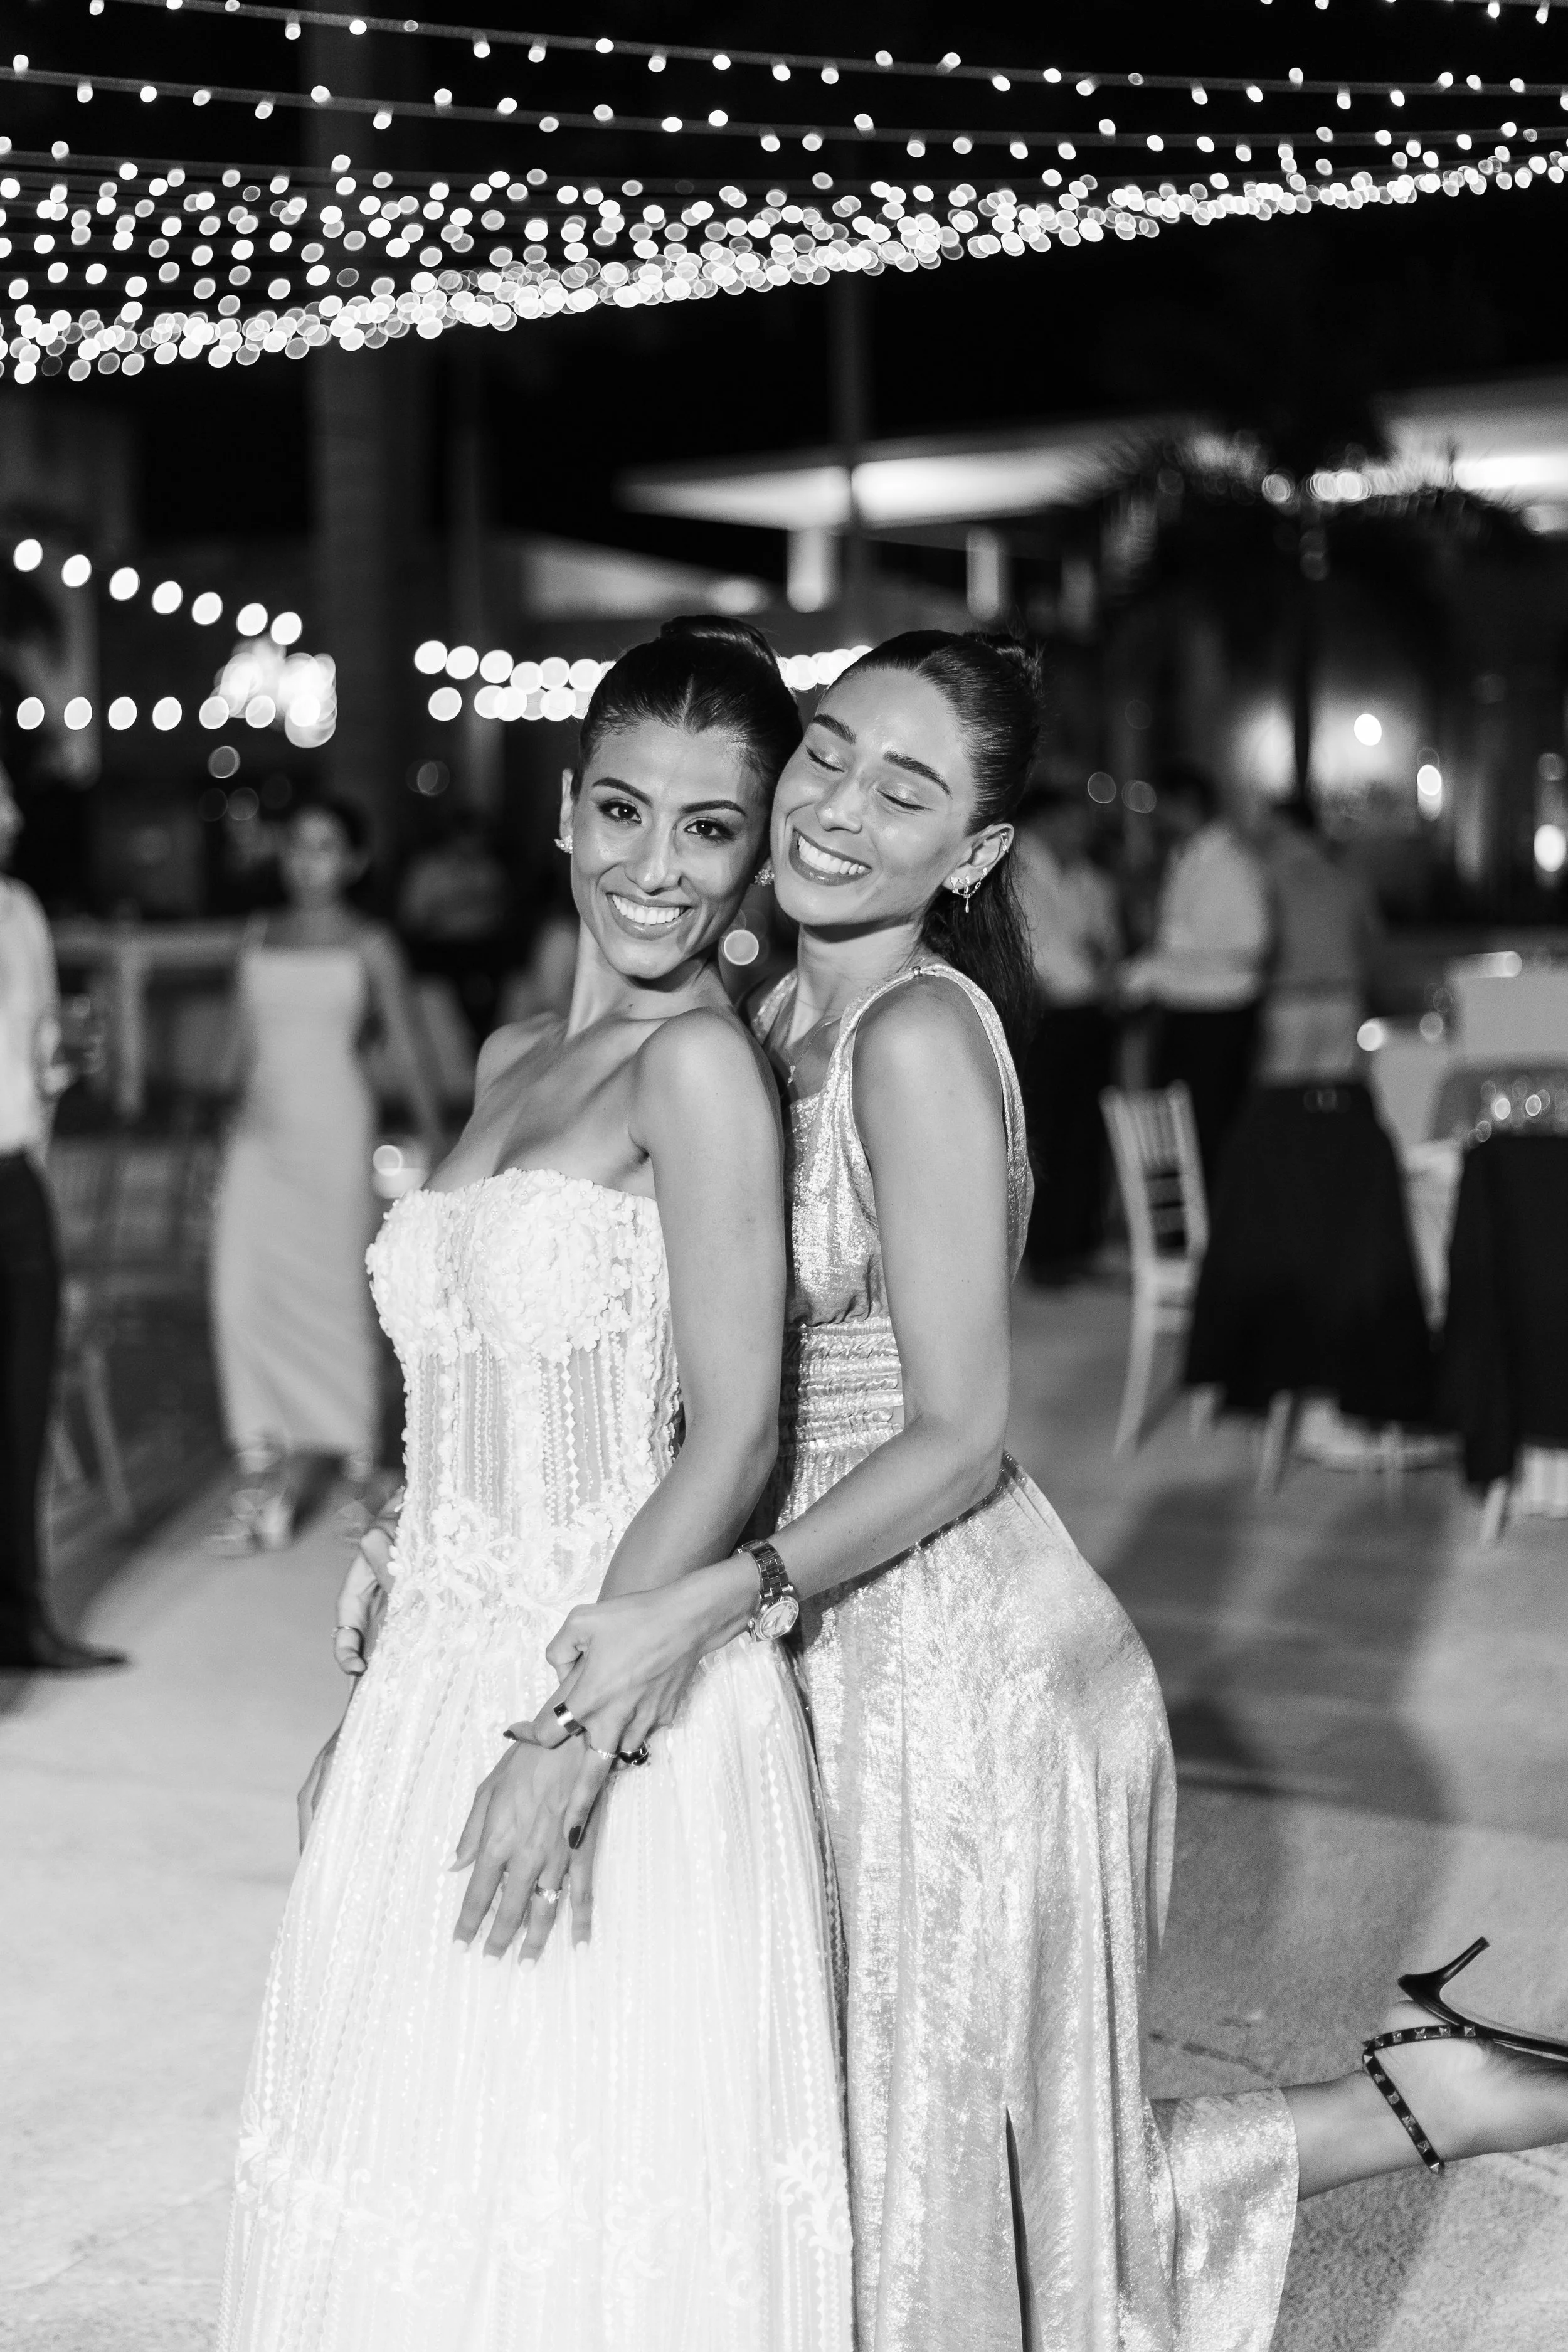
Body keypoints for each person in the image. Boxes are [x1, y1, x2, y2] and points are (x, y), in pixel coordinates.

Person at [499, 633, 1568, 2352]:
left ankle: (1427, 2100)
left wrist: (714, 1594)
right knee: (882, 2162)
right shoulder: (762, 1016)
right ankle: (1426, 2087)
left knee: (950, 2204)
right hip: (816, 1634)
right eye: (829, 752)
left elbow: (958, 1429)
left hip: (950, 1677)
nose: (837, 807)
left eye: (905, 789)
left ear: (974, 850)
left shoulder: (916, 1031)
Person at [218, 619, 852, 2351]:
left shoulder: (697, 1066)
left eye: (710, 828)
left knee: (577, 2204)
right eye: (626, 811)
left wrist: (570, 1736)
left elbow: (733, 1434)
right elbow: (472, 1387)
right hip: (438, 1662)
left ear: (755, 855)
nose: (659, 867)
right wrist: (392, 1604)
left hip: (603, 1678)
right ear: (566, 810)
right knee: (407, 2168)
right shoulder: (508, 1060)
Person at [208, 797, 443, 1553]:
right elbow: (237, 1043)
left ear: (353, 860)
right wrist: (209, 1123)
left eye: (324, 847)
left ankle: (360, 1460)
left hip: (335, 1130)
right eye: (297, 845)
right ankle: (262, 1459)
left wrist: (442, 1140)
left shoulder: (370, 943)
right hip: (257, 1136)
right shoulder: (259, 934)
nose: (306, 861)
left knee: (338, 1293)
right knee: (239, 1294)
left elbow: (408, 1045)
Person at [0, 764, 123, 1673]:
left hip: (16, 1180)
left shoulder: (22, 912)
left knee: (23, 1405)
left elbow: (37, 1054)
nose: (10, 815)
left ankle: (22, 1618)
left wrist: (66, 1058)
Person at [1121, 760, 1271, 1194]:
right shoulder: (1190, 857)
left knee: (1207, 1134)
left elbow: (1252, 939)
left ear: (1186, 805)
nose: (1154, 817)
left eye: (1161, 806)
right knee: (1181, 1134)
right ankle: (1195, 1221)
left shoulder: (1230, 864)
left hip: (1216, 1018)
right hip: (1190, 1015)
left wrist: (1165, 957)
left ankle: (1214, 1223)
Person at [1012, 780, 1121, 1279]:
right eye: (1074, 819)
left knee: (1085, 1131)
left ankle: (1079, 1243)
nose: (1083, 830)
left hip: (1089, 1010)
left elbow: (1105, 942)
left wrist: (1104, 956)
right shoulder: (1015, 872)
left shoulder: (1088, 878)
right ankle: (1046, 1250)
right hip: (1042, 1014)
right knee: (1046, 1130)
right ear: (1047, 821)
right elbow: (1016, 946)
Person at [1257, 800, 1381, 1081]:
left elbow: (1260, 938)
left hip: (1289, 995)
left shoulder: (1266, 873)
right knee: (1333, 1091)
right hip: (1342, 995)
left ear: (1288, 826)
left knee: (1284, 1091)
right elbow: (1372, 936)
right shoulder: (1346, 871)